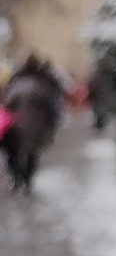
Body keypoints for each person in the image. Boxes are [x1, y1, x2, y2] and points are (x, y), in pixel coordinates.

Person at [4, 57, 68, 192]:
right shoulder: (43, 84)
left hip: (16, 125)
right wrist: (52, 125)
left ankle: (18, 178)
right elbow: (52, 107)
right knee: (32, 154)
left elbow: (7, 103)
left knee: (13, 154)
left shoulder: (16, 84)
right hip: (38, 125)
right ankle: (27, 179)